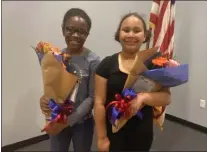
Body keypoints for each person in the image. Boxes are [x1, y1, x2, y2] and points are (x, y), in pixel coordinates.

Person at [94, 12, 171, 152]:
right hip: (114, 132)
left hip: (142, 133)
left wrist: (143, 97)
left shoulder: (153, 64)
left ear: (145, 35)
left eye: (137, 30)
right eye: (126, 30)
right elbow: (99, 102)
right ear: (118, 34)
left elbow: (166, 98)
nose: (131, 35)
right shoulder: (106, 64)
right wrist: (101, 137)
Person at [39, 8, 100, 152]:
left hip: (82, 123)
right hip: (58, 119)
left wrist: (68, 121)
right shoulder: (55, 57)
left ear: (87, 34)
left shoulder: (93, 61)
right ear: (63, 29)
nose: (75, 35)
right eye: (70, 29)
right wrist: (44, 100)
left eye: (82, 32)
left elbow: (92, 98)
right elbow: (52, 87)